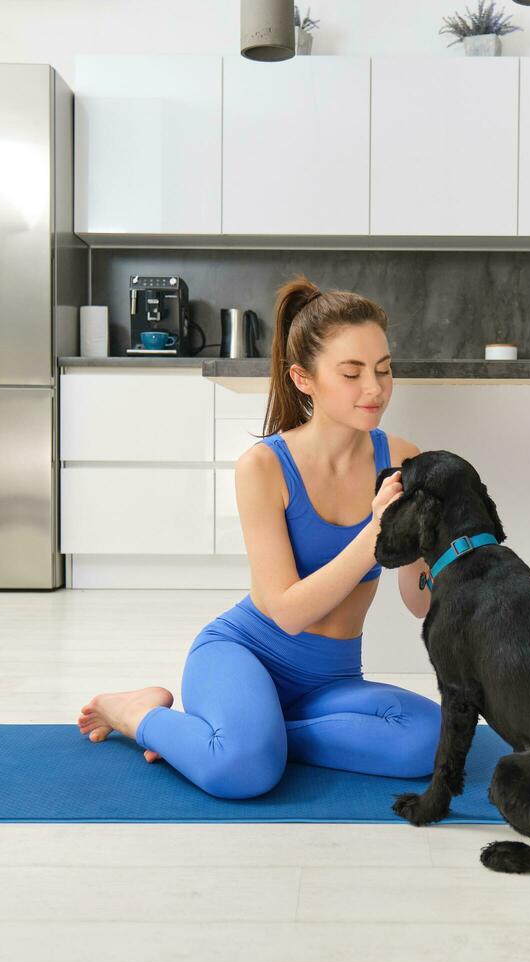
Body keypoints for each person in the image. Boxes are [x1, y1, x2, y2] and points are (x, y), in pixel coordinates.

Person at [76, 275, 440, 798]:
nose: (375, 389)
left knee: (429, 742)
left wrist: (438, 542)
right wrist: (378, 532)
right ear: (304, 378)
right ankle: (135, 713)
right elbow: (288, 612)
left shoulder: (403, 458)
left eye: (383, 369)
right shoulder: (265, 466)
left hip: (333, 683)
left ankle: (235, 737)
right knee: (243, 773)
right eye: (352, 373)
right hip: (243, 657)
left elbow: (417, 603)